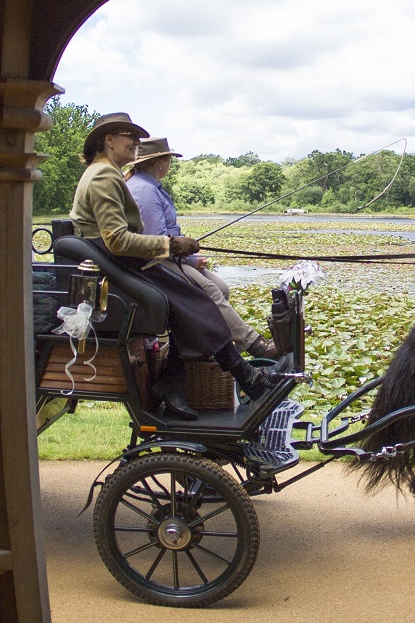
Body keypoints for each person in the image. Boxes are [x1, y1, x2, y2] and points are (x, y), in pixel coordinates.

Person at [71, 113, 286, 419]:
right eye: (129, 136)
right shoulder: (104, 176)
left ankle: (178, 388)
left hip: (121, 265)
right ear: (109, 140)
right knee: (198, 302)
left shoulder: (105, 173)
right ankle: (246, 376)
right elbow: (117, 240)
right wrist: (170, 245)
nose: (135, 142)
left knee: (194, 305)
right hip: (120, 268)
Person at [125, 136, 274, 357]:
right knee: (209, 291)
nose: (169, 164)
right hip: (153, 264)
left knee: (221, 287)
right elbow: (157, 241)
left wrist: (191, 259)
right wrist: (185, 254)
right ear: (159, 162)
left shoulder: (149, 186)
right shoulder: (144, 191)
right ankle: (254, 345)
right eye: (169, 159)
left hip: (167, 258)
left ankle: (199, 350)